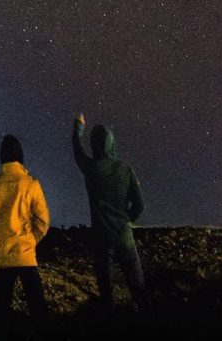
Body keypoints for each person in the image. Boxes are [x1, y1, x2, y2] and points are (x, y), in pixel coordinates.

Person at [71, 114, 150, 312]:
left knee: (107, 298)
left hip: (102, 241)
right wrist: (126, 219)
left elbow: (77, 150)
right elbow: (140, 205)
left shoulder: (90, 168)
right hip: (124, 238)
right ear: (111, 143)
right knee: (139, 292)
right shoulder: (125, 169)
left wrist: (78, 128)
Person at [0, 134, 51, 331]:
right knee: (37, 310)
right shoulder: (31, 184)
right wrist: (31, 240)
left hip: (3, 258)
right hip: (26, 256)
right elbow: (43, 220)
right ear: (21, 156)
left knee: (1, 311)